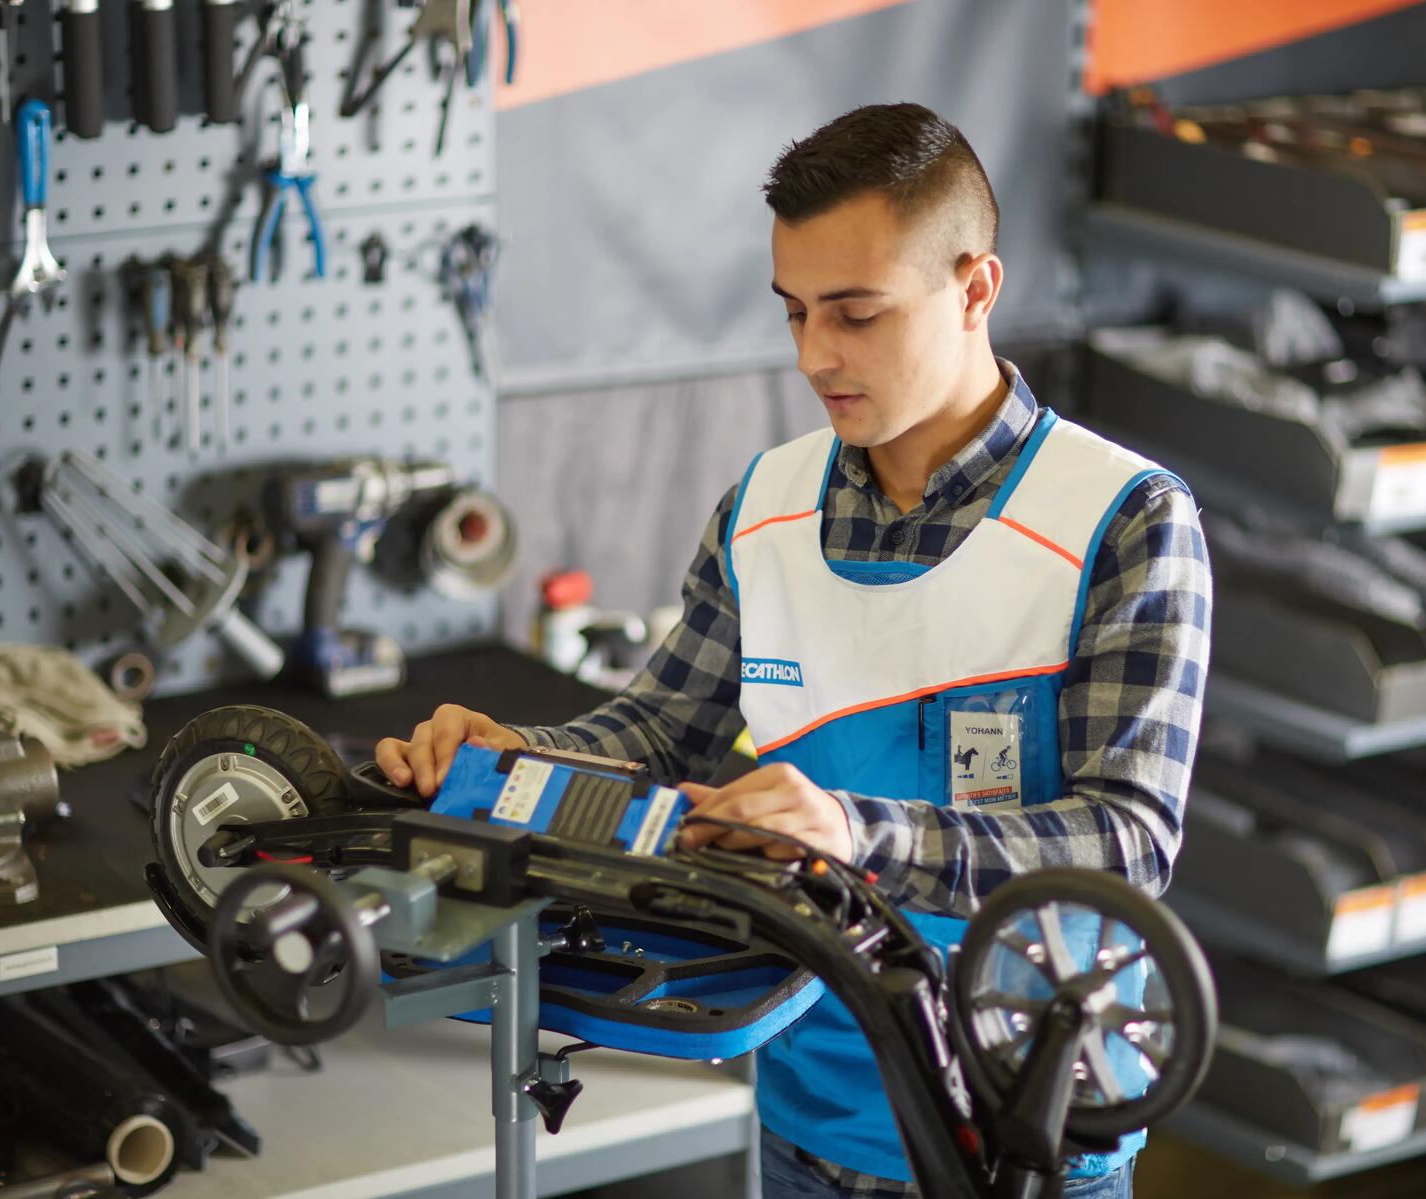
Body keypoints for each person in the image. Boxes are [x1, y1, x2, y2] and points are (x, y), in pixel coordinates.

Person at [376, 102, 1212, 1199]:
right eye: (795, 313)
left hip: (1025, 1118)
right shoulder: (766, 506)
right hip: (801, 1102)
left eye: (857, 314)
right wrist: (505, 755)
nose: (817, 353)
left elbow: (1127, 841)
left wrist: (851, 833)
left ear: (975, 289)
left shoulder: (1124, 519)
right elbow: (656, 733)